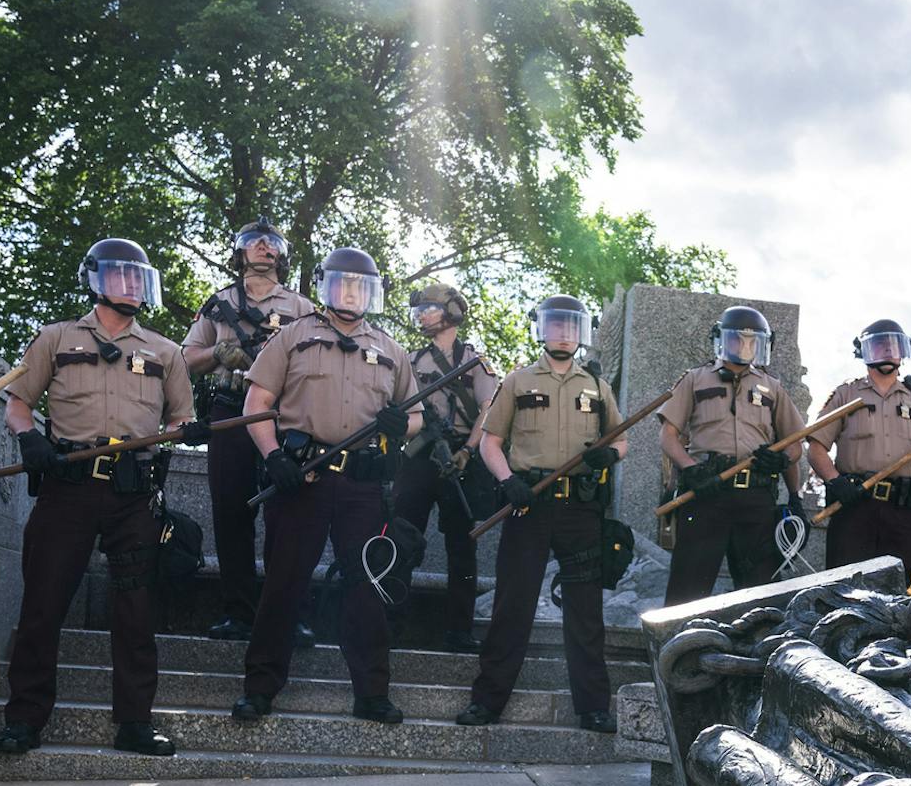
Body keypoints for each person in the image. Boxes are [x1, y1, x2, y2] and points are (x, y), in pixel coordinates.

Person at [0, 238, 195, 759]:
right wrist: (29, 438)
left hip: (133, 491)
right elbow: (18, 404)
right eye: (120, 275)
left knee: (136, 610)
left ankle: (134, 722)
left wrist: (187, 433)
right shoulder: (55, 338)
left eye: (138, 276)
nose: (130, 285)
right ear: (94, 280)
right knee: (43, 604)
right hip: (68, 485)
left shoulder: (165, 351)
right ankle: (24, 719)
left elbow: (180, 419)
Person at [229, 246, 418, 724]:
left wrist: (401, 428)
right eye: (342, 283)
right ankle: (261, 688)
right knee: (283, 584)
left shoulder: (391, 350)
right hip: (303, 479)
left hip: (362, 486)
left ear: (371, 293)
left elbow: (415, 416)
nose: (350, 293)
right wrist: (273, 456)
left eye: (360, 285)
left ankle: (372, 693)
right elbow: (257, 401)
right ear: (326, 287)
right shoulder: (293, 336)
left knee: (367, 586)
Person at [458, 295, 623, 732]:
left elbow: (621, 440)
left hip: (580, 508)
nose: (564, 333)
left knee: (585, 611)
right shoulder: (517, 381)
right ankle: (487, 701)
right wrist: (507, 481)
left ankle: (593, 706)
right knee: (513, 604)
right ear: (542, 329)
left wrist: (610, 456)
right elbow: (491, 442)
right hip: (529, 502)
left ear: (581, 333)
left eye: (572, 326)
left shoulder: (597, 387)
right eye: (556, 325)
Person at [180, 218, 316, 643]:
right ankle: (238, 613)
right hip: (228, 410)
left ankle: (285, 613)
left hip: (281, 417)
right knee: (231, 512)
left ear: (281, 255)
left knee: (286, 512)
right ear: (239, 253)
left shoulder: (301, 307)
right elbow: (185, 359)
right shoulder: (217, 303)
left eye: (271, 242)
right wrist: (219, 353)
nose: (263, 247)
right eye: (253, 242)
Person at [660, 305, 806, 604]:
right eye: (738, 339)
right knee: (687, 591)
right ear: (722, 340)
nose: (745, 347)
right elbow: (668, 436)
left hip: (756, 500)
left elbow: (795, 442)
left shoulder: (772, 387)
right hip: (706, 493)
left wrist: (785, 468)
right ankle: (675, 648)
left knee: (761, 593)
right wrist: (689, 469)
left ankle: (759, 649)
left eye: (752, 341)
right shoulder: (695, 379)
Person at [391, 282, 498, 651]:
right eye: (419, 310)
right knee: (401, 536)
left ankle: (459, 631)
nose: (422, 315)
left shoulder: (475, 361)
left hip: (459, 459)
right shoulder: (409, 359)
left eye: (429, 308)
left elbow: (490, 410)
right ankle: (390, 624)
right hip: (419, 455)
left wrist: (468, 450)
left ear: (452, 311)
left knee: (461, 546)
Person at [805, 319, 911, 571]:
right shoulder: (846, 394)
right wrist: (835, 481)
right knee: (844, 587)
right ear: (864, 351)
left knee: (899, 594)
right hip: (855, 506)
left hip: (902, 510)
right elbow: (815, 447)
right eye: (880, 346)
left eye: (894, 346)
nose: (889, 351)